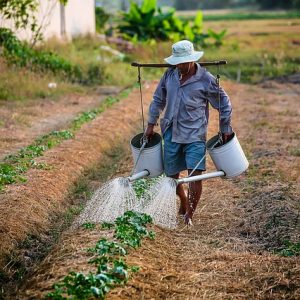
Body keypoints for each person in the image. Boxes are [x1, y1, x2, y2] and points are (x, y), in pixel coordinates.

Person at [145, 40, 233, 226]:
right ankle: (183, 200)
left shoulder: (206, 80)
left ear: (192, 60)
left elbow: (224, 103)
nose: (180, 66)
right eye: (177, 62)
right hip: (171, 132)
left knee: (195, 174)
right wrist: (150, 124)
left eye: (184, 62)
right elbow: (158, 100)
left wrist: (225, 128)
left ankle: (189, 216)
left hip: (195, 134)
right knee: (172, 177)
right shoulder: (169, 75)